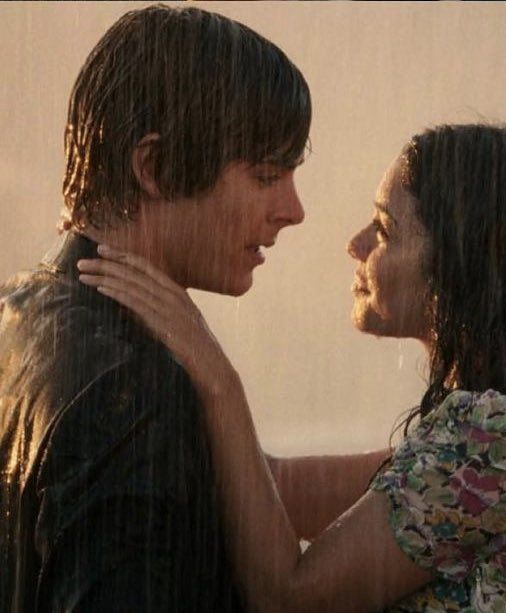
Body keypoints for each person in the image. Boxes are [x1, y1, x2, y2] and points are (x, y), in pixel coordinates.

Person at [79, 124, 506, 612]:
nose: (355, 245)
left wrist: (217, 376)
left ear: (464, 261)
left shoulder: (493, 438)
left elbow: (288, 598)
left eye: (383, 230)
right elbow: (276, 487)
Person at [0, 5, 310, 612]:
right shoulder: (135, 390)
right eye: (267, 174)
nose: (293, 209)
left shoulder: (20, 311)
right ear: (155, 166)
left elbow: (263, 481)